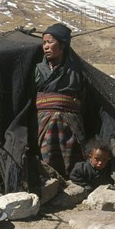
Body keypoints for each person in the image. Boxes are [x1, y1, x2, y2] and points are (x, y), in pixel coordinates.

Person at [35, 23, 85, 179]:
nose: (46, 47)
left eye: (50, 42)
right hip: (43, 118)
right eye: (44, 43)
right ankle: (48, 177)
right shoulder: (37, 69)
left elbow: (83, 97)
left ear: (62, 45)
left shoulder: (77, 71)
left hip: (70, 118)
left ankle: (71, 178)